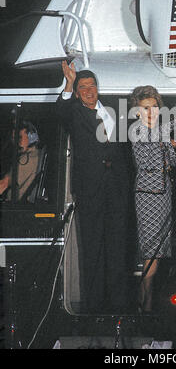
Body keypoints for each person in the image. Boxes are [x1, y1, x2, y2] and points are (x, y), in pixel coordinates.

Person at [56, 61, 132, 314]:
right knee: (92, 248)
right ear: (77, 93)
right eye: (83, 87)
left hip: (117, 190)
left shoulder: (114, 110)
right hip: (90, 191)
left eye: (92, 86)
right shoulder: (74, 113)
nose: (89, 90)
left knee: (119, 246)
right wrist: (69, 81)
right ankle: (94, 307)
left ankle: (119, 305)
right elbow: (62, 111)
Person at [129, 85, 176, 313]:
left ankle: (147, 296)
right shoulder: (137, 129)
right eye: (145, 108)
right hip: (147, 196)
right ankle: (144, 300)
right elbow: (156, 137)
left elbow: (173, 163)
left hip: (163, 193)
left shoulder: (160, 131)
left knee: (158, 250)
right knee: (151, 249)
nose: (151, 112)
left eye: (154, 107)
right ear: (137, 111)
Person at [0, 121, 45, 202]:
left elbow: (4, 184)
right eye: (14, 138)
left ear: (32, 137)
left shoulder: (28, 158)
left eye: (20, 137)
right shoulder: (35, 154)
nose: (16, 143)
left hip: (15, 208)